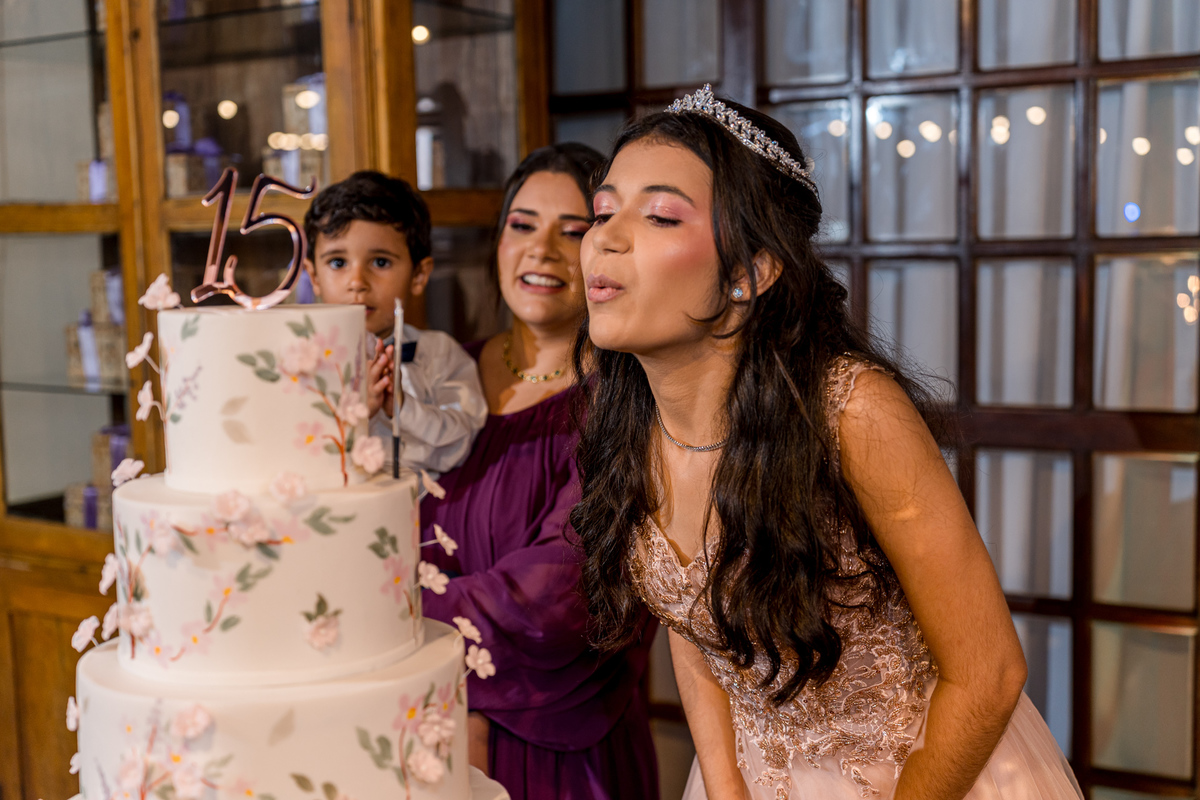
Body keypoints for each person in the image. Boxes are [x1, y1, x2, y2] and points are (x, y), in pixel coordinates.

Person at [570, 86, 1083, 800]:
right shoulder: (627, 421)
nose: (605, 238)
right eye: (602, 212)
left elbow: (989, 674)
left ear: (750, 271)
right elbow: (693, 626)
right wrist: (726, 785)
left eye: (659, 215)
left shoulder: (850, 411)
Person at [418, 144, 659, 800]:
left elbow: (557, 596)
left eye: (573, 231)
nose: (542, 250)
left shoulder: (630, 403)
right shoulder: (435, 380)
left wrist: (381, 613)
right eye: (522, 225)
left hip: (555, 754)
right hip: (417, 723)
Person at [303, 170, 488, 475]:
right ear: (314, 276)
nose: (357, 282)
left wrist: (403, 408)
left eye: (380, 262)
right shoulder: (301, 361)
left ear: (419, 275)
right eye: (338, 262)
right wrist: (355, 414)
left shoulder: (439, 354)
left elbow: (458, 445)